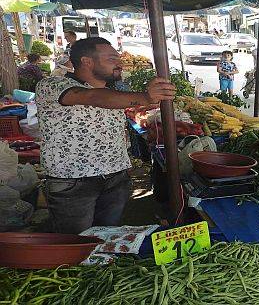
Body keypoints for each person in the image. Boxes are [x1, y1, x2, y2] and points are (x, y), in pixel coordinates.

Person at [35, 37, 176, 234]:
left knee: (107, 236)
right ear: (87, 61)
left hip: (115, 178)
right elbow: (91, 97)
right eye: (112, 59)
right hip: (73, 181)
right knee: (75, 243)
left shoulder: (112, 91)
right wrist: (145, 96)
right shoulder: (53, 84)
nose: (120, 63)